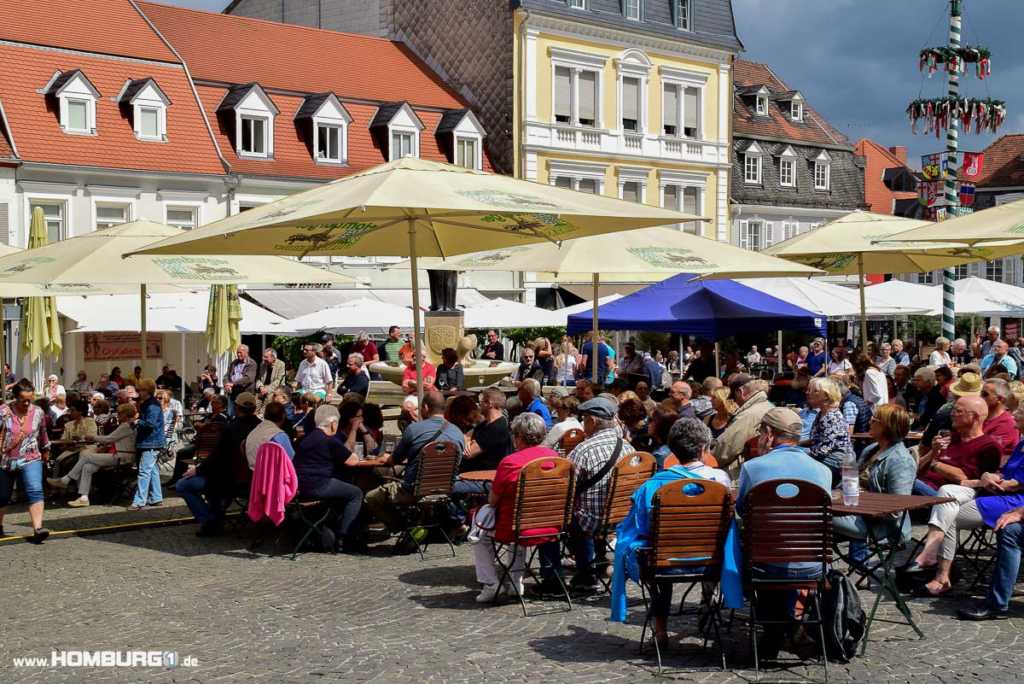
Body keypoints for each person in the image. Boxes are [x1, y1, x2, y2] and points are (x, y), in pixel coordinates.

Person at [610, 417, 731, 633]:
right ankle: (708, 607)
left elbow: (642, 528)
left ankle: (660, 629)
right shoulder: (719, 480)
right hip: (710, 561)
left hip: (665, 562)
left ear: (673, 450)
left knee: (658, 548)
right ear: (704, 448)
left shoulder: (653, 485)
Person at [735, 407, 832, 660]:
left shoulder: (752, 468)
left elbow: (742, 510)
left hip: (765, 565)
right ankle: (791, 623)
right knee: (783, 550)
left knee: (749, 553)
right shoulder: (823, 471)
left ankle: (775, 629)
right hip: (813, 566)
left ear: (768, 434)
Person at [912, 403, 1024, 597]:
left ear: (974, 416)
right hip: (975, 490)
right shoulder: (1022, 443)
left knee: (948, 514)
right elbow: (921, 469)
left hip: (1012, 500)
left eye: (1020, 411)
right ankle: (937, 566)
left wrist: (938, 466)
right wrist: (935, 454)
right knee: (945, 494)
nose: (1013, 413)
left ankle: (941, 574)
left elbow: (1014, 484)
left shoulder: (987, 445)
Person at [538, 396, 634, 596]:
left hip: (591, 519)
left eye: (584, 419)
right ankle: (592, 566)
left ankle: (554, 578)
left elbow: (565, 489)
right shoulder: (629, 448)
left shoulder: (583, 450)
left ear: (592, 421)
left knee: (547, 518)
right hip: (621, 517)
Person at [470, 413, 558, 602]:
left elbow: (493, 501)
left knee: (479, 532)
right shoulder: (556, 458)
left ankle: (490, 584)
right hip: (551, 525)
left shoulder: (511, 462)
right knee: (519, 521)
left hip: (516, 528)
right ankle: (515, 583)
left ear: (518, 437)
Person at [364, 391, 465, 538]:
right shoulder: (457, 432)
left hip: (414, 490)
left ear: (424, 407)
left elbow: (395, 460)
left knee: (371, 497)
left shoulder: (414, 429)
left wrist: (385, 457)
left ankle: (404, 528)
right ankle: (417, 528)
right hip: (445, 488)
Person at [832, 404, 916, 564]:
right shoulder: (871, 449)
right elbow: (851, 483)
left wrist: (863, 500)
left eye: (874, 419)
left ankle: (810, 571)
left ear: (886, 427)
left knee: (817, 514)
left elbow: (896, 508)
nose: (869, 422)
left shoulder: (901, 461)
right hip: (852, 509)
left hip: (878, 525)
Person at [176, 392, 262, 536]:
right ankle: (214, 516)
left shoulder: (231, 428)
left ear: (236, 407)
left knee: (183, 485)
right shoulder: (262, 428)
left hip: (231, 480)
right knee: (214, 481)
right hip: (256, 478)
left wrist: (198, 469)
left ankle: (210, 520)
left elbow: (217, 457)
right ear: (254, 408)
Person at [290, 404, 368, 553]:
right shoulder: (328, 440)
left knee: (343, 488)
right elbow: (352, 461)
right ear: (333, 424)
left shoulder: (306, 438)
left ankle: (333, 527)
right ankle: (345, 536)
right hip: (319, 484)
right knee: (356, 493)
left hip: (300, 486)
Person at [48, 402, 138, 507]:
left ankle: (66, 479)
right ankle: (84, 497)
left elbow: (109, 439)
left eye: (119, 413)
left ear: (126, 414)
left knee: (86, 456)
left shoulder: (126, 426)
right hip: (121, 455)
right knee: (88, 467)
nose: (117, 415)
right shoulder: (128, 425)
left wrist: (93, 437)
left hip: (121, 457)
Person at [915, 395, 1001, 497]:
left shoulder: (988, 447)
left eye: (958, 411)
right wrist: (932, 453)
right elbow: (916, 468)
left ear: (975, 417)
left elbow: (964, 477)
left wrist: (934, 464)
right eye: (953, 410)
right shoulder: (950, 437)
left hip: (943, 495)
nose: (952, 414)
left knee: (904, 481)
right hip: (921, 485)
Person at [0, 382, 51, 542]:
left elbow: (42, 433)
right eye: (23, 400)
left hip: (31, 457)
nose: (27, 403)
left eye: (30, 399)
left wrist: (45, 449)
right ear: (15, 398)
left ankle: (38, 528)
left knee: (35, 489)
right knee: (2, 496)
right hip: (5, 460)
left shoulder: (38, 412)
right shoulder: (3, 412)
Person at [713, 377, 774, 469]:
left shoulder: (749, 415)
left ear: (740, 392)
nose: (735, 402)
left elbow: (725, 449)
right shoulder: (768, 406)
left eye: (734, 397)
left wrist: (708, 462)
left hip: (747, 470)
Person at [805, 377, 855, 487]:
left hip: (838, 459)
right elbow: (818, 439)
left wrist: (803, 455)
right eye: (808, 390)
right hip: (830, 456)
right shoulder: (822, 414)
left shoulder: (831, 417)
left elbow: (825, 447)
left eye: (814, 391)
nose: (808, 393)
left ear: (826, 396)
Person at [130, 379, 165, 511]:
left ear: (147, 391)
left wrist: (137, 422)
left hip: (151, 442)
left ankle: (139, 501)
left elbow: (150, 424)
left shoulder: (152, 405)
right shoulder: (148, 404)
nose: (139, 392)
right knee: (153, 470)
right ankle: (156, 497)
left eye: (140, 390)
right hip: (151, 441)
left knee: (144, 471)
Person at [462, 388, 513, 475]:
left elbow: (468, 453)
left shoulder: (497, 428)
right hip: (473, 473)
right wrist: (467, 439)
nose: (478, 405)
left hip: (483, 478)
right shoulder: (487, 423)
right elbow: (469, 434)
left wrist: (469, 442)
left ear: (489, 404)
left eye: (481, 402)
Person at [244, 400, 294, 469]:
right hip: (270, 476)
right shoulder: (279, 435)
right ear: (283, 416)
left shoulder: (254, 431)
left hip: (253, 475)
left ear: (265, 415)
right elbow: (291, 459)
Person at [983, 379, 1020, 461]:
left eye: (985, 394)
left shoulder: (1007, 424)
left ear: (1000, 399)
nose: (980, 397)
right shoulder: (982, 415)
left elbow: (984, 452)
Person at [912, 366, 946, 431]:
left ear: (928, 382)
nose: (915, 383)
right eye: (915, 380)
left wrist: (917, 417)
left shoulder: (936, 397)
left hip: (930, 429)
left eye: (918, 380)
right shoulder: (919, 395)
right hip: (916, 429)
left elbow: (931, 417)